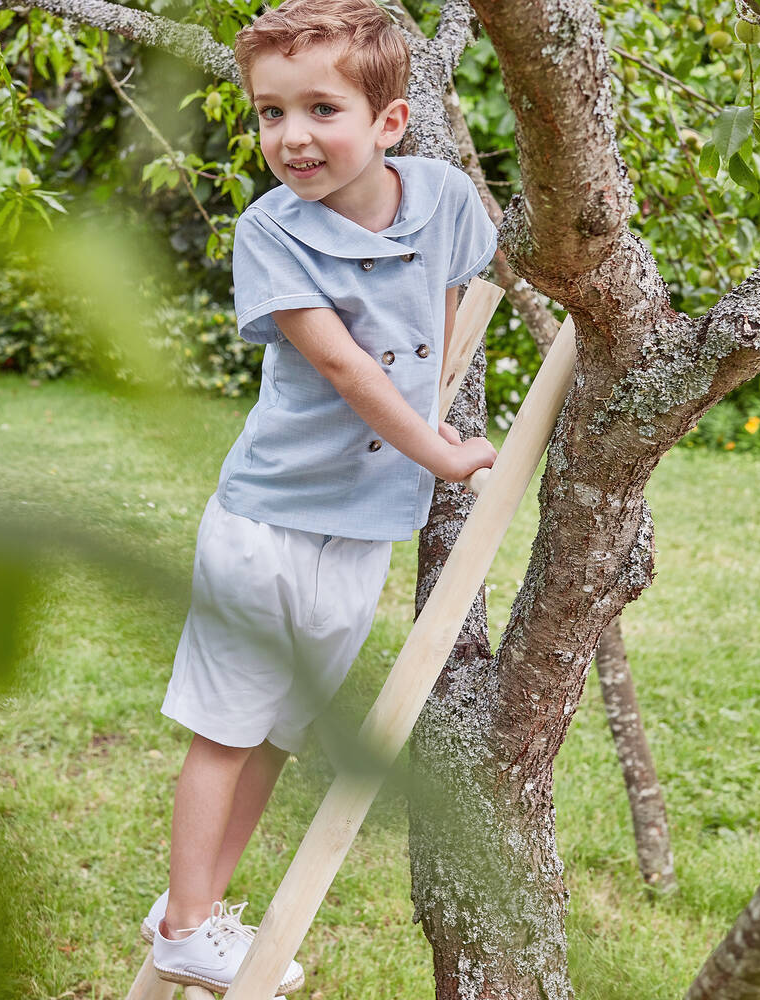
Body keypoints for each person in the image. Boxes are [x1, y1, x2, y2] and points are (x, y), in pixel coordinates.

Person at [141, 0, 498, 992]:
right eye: (269, 113)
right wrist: (439, 449)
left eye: (320, 109)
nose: (291, 137)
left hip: (364, 529)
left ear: (388, 122)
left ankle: (195, 909)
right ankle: (184, 922)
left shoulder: (444, 197)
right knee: (227, 725)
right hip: (269, 521)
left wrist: (425, 436)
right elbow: (345, 367)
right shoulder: (271, 232)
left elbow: (439, 307)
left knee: (280, 732)